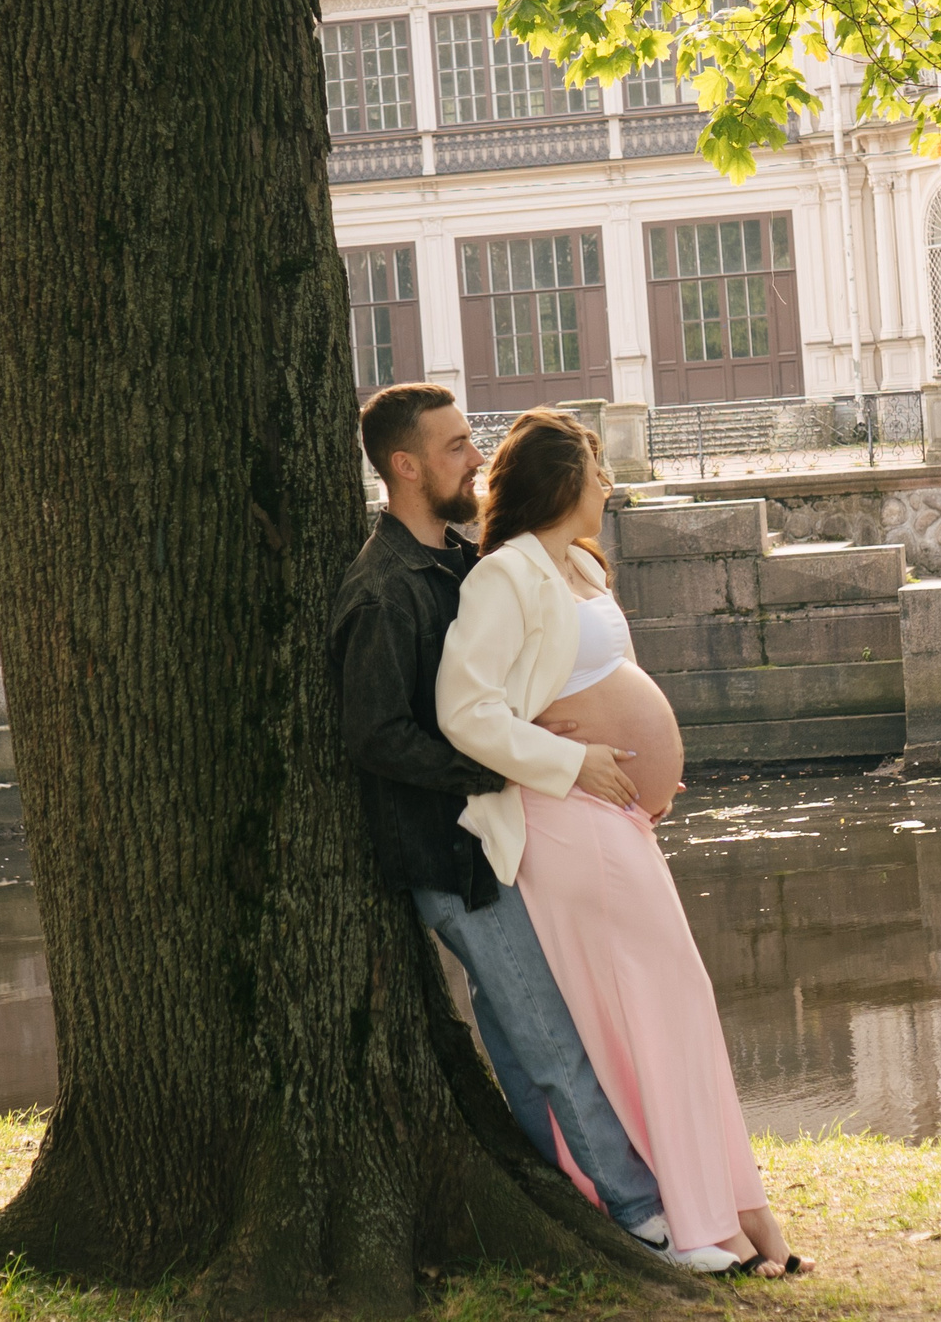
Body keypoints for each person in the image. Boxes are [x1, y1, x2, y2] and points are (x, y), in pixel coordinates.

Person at [436, 410, 809, 1278]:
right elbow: (466, 711)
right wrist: (572, 758)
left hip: (613, 818)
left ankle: (737, 1214)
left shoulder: (576, 565)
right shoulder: (504, 577)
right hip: (563, 821)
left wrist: (646, 769)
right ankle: (685, 1219)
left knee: (672, 999)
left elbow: (598, 679)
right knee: (646, 1004)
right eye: (598, 471)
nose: (608, 486)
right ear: (564, 481)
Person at [327, 384, 685, 1268]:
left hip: (497, 834)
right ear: (404, 465)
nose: (476, 459)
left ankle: (560, 1183)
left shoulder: (453, 559)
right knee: (547, 1032)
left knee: (518, 1037)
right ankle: (643, 1214)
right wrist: (505, 759)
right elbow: (375, 736)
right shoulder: (382, 591)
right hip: (450, 854)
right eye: (455, 447)